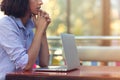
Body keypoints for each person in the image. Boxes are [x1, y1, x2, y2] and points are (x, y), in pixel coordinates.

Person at [0, 0, 51, 80]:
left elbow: (44, 62)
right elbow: (26, 65)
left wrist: (43, 32)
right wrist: (39, 30)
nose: (41, 2)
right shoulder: (5, 25)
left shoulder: (28, 26)